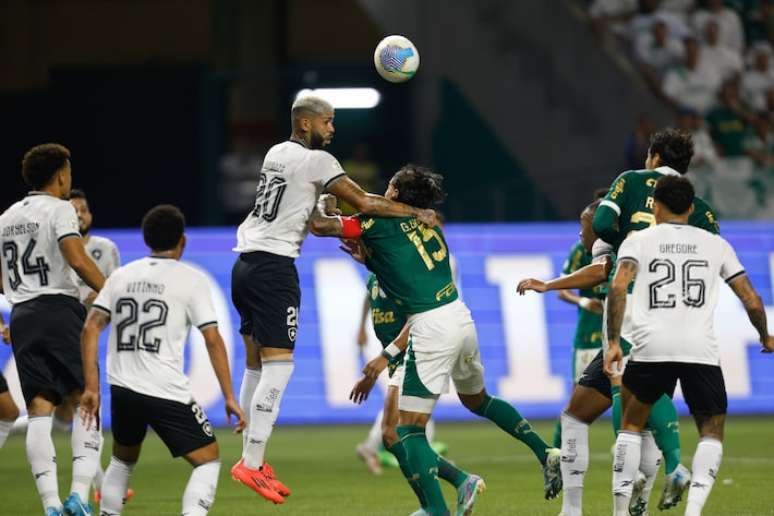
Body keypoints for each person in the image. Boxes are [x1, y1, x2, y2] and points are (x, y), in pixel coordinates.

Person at [309, 165, 562, 516]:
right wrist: (369, 259)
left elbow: (320, 226)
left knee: (406, 432)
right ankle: (545, 451)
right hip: (460, 316)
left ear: (395, 192)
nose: (385, 188)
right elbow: (405, 268)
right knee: (478, 400)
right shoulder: (429, 225)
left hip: (429, 327)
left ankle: (440, 507)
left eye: (390, 182)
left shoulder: (375, 221)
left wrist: (318, 200)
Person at [230, 95, 439, 503]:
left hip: (244, 264)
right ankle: (251, 465)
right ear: (306, 124)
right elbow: (363, 202)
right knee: (280, 368)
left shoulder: (276, 153)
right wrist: (414, 213)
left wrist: (324, 205)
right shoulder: (321, 163)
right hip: (274, 269)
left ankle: (251, 454)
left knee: (256, 363)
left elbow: (318, 222)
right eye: (327, 122)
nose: (333, 129)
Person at [523, 129, 718, 516]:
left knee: (599, 418)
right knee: (634, 414)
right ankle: (635, 499)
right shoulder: (701, 209)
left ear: (653, 155)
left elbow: (605, 232)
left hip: (633, 320)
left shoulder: (630, 183)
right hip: (682, 328)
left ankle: (584, 508)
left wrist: (613, 240)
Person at [604, 175, 774, 516]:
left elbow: (619, 287)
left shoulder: (638, 240)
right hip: (701, 351)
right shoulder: (716, 244)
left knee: (632, 425)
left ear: (657, 205)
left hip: (651, 347)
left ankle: (621, 512)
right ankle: (693, 511)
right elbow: (753, 300)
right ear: (692, 207)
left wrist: (612, 342)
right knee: (711, 431)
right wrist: (765, 336)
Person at [79, 204, 245, 516]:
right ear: (182, 241)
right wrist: (229, 396)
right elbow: (212, 339)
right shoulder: (191, 279)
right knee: (208, 460)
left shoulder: (121, 276)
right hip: (165, 388)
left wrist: (92, 386)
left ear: (146, 240)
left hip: (123, 388)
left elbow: (90, 327)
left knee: (122, 459)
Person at [0, 143, 106, 516]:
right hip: (60, 310)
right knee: (86, 400)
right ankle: (78, 495)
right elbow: (77, 259)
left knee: (40, 407)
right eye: (69, 173)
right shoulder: (61, 209)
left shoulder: (7, 217)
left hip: (23, 315)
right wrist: (111, 292)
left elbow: (1, 280)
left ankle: (50, 503)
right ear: (60, 175)